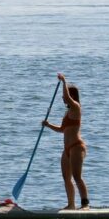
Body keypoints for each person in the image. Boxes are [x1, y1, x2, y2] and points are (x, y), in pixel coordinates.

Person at [42, 72, 90, 210]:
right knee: (66, 178)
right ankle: (71, 205)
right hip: (67, 149)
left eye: (66, 95)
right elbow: (62, 129)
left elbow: (68, 98)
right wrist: (48, 124)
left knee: (77, 177)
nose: (63, 98)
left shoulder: (76, 107)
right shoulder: (67, 113)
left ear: (72, 96)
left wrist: (63, 82)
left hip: (77, 147)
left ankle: (85, 204)